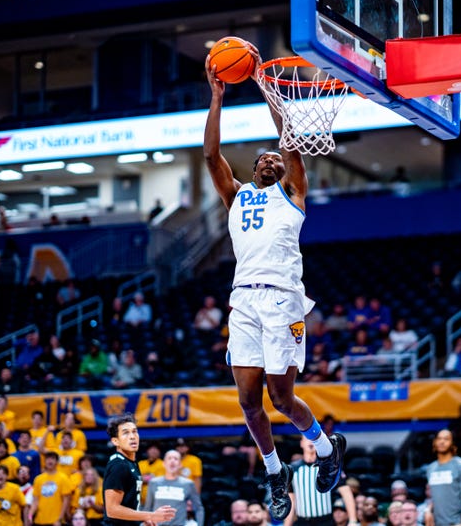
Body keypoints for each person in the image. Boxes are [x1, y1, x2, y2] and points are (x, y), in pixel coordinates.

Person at [204, 42, 345, 520]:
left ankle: (325, 448)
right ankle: (274, 471)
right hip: (243, 301)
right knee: (248, 401)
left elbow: (288, 141)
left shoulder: (293, 193)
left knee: (280, 398)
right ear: (253, 170)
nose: (270, 160)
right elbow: (211, 156)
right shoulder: (238, 196)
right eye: (262, 159)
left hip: (283, 301)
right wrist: (217, 98)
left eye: (276, 159)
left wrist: (266, 87)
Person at [103, 413, 175, 526]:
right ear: (116, 441)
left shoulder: (132, 463)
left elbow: (128, 504)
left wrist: (141, 519)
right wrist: (150, 515)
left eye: (134, 431)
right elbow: (112, 510)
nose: (132, 436)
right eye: (126, 433)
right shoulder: (118, 465)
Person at [284, 437, 357, 526]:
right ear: (301, 443)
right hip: (302, 522)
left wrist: (353, 521)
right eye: (307, 438)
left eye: (313, 438)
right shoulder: (292, 469)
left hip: (325, 521)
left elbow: (346, 493)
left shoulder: (329, 467)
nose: (310, 441)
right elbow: (291, 500)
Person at [426, 429, 461, 526]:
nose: (442, 442)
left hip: (458, 523)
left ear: (453, 443)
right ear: (434, 442)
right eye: (439, 438)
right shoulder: (431, 468)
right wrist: (428, 511)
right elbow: (435, 496)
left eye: (446, 439)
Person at [144, 449, 204, 526]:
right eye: (169, 458)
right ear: (164, 463)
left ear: (180, 464)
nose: (172, 461)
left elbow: (199, 508)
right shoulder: (154, 482)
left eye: (176, 459)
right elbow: (147, 508)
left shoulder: (188, 484)